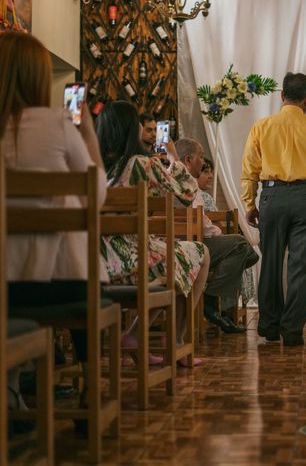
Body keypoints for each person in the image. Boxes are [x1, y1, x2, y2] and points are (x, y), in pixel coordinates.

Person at [0, 31, 107, 431]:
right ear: (37, 78)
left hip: (4, 286)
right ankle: (89, 386)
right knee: (80, 269)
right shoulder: (58, 123)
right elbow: (95, 197)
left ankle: (10, 390)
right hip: (58, 286)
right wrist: (87, 134)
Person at [97, 101, 210, 367]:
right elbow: (184, 195)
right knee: (198, 255)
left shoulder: (98, 166)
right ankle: (176, 341)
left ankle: (136, 335)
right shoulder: (140, 164)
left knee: (174, 260)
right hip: (132, 261)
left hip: (100, 263)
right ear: (129, 128)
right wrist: (173, 157)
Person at [241, 72, 306, 346]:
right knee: (301, 267)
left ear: (281, 95)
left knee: (271, 263)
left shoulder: (262, 126)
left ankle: (269, 325)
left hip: (273, 196)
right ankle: (292, 330)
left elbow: (250, 170)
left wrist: (250, 204)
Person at [175, 138, 258, 333]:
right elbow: (201, 224)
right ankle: (210, 302)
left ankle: (212, 305)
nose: (203, 163)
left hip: (180, 243)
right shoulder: (187, 183)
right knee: (239, 244)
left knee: (240, 251)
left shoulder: (169, 178)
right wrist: (220, 234)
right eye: (201, 157)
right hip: (192, 245)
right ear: (188, 160)